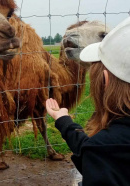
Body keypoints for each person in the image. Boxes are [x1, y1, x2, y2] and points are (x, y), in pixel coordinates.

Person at [46, 16, 130, 186]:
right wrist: (65, 123)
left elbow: (97, 152)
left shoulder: (104, 149)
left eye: (104, 37)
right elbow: (95, 149)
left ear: (104, 80)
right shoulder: (110, 142)